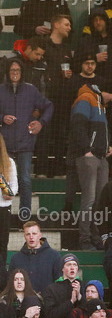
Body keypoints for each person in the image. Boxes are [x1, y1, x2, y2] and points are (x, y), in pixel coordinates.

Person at [0, 58, 52, 220]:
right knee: (2, 181)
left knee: (25, 180)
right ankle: (3, 215)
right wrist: (2, 118)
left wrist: (40, 123)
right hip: (5, 145)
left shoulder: (31, 90)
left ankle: (25, 218)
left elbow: (49, 106)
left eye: (18, 71)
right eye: (12, 70)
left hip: (25, 144)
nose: (15, 73)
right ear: (7, 73)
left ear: (22, 73)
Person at [70, 80, 112, 249]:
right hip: (89, 157)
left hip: (101, 158)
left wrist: (107, 146)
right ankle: (85, 239)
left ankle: (97, 237)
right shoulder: (86, 98)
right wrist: (87, 149)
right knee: (89, 200)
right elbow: (77, 124)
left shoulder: (101, 106)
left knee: (100, 202)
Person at [9, 220, 63, 292]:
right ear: (24, 236)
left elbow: (59, 283)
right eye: (28, 234)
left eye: (34, 233)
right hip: (24, 301)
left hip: (47, 301)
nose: (31, 237)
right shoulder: (15, 258)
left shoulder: (54, 256)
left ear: (40, 235)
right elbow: (10, 284)